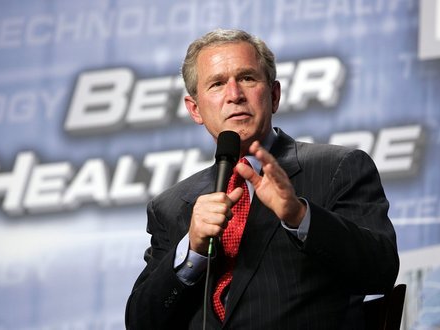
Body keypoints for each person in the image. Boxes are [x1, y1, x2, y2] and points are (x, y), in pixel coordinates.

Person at [125, 29, 399, 329]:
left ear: (275, 95)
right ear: (195, 109)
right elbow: (142, 322)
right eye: (217, 84)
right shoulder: (172, 206)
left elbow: (381, 271)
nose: (234, 95)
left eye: (247, 78)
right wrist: (191, 249)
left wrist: (300, 216)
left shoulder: (338, 168)